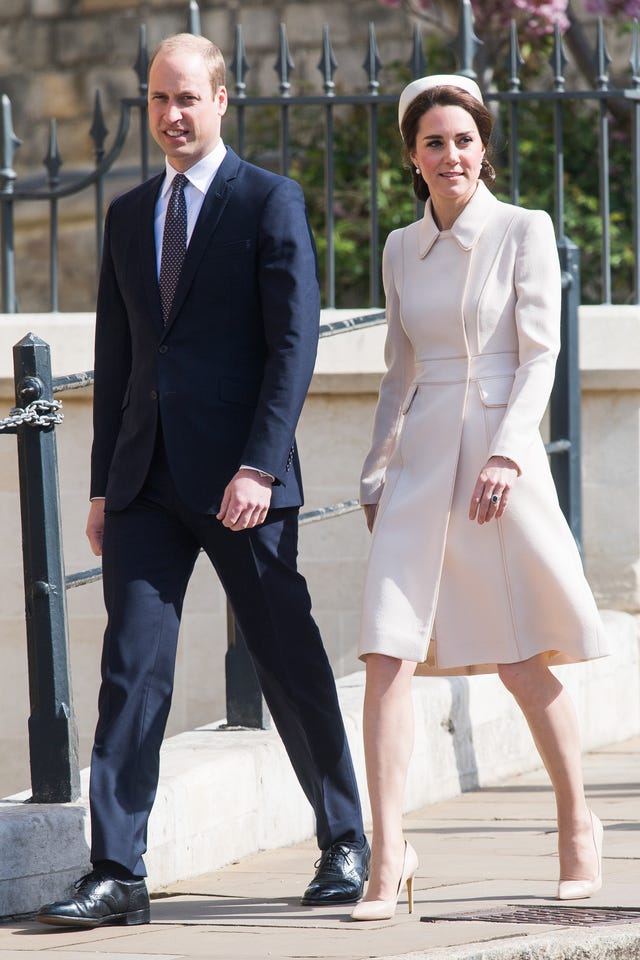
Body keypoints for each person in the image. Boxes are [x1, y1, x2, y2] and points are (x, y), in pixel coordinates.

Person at [36, 33, 369, 929]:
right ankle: (117, 871)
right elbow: (118, 359)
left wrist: (260, 463)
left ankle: (344, 838)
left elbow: (293, 346)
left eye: (188, 98)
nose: (171, 115)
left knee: (287, 660)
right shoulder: (126, 213)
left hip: (242, 482)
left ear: (223, 101)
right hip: (146, 481)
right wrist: (105, 485)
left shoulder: (269, 201)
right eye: (158, 99)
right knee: (131, 669)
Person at [350, 74, 609, 923]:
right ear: (412, 159)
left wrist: (506, 453)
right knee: (386, 656)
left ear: (483, 147)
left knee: (518, 657)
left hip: (499, 463)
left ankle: (578, 822)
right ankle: (387, 856)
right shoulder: (397, 248)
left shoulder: (522, 230)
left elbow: (540, 356)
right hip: (420, 461)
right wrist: (375, 469)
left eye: (463, 140)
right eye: (434, 143)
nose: (450, 155)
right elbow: (400, 371)